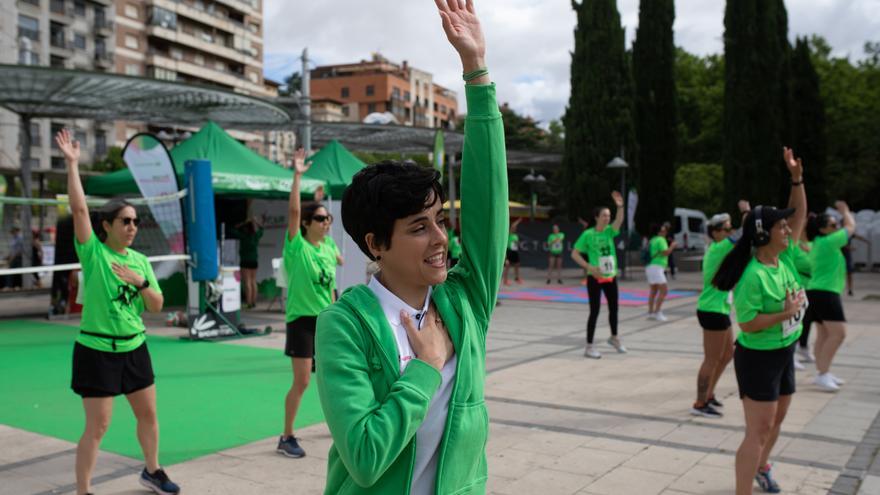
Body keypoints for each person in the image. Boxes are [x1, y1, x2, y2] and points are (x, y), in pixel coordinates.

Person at [315, 1, 506, 492]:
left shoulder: (464, 301)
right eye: (419, 227)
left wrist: (477, 74)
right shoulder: (345, 324)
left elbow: (489, 206)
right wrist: (424, 369)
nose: (441, 238)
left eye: (440, 220)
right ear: (376, 244)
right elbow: (363, 457)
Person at [55, 129, 179, 495]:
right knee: (98, 426)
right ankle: (84, 490)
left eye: (135, 221)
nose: (131, 227)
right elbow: (79, 209)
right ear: (106, 225)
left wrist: (142, 282)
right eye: (125, 221)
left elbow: (156, 305)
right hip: (96, 351)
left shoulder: (140, 260)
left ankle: (152, 471)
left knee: (149, 416)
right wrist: (73, 164)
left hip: (134, 348)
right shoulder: (94, 254)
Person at [712, 147, 808, 495]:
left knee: (777, 421)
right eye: (781, 226)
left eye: (786, 225)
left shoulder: (785, 258)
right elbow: (749, 325)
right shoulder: (753, 276)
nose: (788, 229)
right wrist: (786, 311)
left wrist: (796, 177)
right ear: (764, 234)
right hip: (759, 357)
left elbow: (800, 213)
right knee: (758, 430)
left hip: (785, 349)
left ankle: (762, 467)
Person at [277, 148, 343, 458]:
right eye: (319, 218)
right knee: (302, 381)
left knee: (333, 378)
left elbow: (333, 275)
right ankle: (287, 436)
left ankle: (338, 422)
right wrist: (298, 176)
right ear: (306, 223)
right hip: (302, 321)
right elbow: (292, 213)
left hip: (326, 321)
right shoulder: (297, 248)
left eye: (328, 218)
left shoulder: (328, 246)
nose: (326, 222)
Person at [804, 201, 856, 392]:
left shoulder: (819, 243)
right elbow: (851, 228)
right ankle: (823, 374)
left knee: (824, 335)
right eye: (833, 225)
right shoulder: (827, 242)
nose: (838, 228)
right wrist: (846, 211)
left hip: (818, 291)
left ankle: (822, 371)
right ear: (823, 230)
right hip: (825, 293)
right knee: (838, 334)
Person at [691, 213, 737, 418]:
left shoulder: (720, 248)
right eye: (727, 229)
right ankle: (700, 403)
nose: (731, 232)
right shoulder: (719, 248)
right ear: (716, 233)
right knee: (711, 359)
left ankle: (709, 394)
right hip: (711, 310)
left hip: (720, 309)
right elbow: (745, 234)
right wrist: (748, 214)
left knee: (727, 354)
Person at [572, 191, 625, 359]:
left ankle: (614, 337)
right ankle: (589, 346)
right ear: (596, 217)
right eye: (604, 215)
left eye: (608, 215)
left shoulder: (609, 232)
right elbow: (575, 253)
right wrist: (589, 266)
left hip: (611, 276)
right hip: (595, 278)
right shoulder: (588, 234)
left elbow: (619, 220)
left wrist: (620, 206)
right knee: (594, 311)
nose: (607, 218)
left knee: (614, 308)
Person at [231, 214, 264, 309]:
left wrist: (245, 222)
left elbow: (234, 229)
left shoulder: (243, 236)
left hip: (245, 261)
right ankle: (253, 302)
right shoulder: (255, 236)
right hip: (254, 261)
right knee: (253, 282)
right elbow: (262, 229)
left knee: (247, 283)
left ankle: (249, 303)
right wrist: (255, 222)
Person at [645, 222, 676, 321]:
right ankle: (657, 312)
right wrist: (672, 246)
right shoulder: (661, 240)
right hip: (657, 267)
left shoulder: (652, 240)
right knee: (664, 290)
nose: (665, 232)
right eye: (663, 230)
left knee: (653, 291)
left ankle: (650, 313)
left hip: (650, 267)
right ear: (659, 232)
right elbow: (665, 252)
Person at [503, 217, 523, 285]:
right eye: (513, 228)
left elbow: (516, 244)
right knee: (507, 266)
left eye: (515, 228)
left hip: (515, 251)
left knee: (517, 265)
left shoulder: (515, 235)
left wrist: (517, 243)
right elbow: (513, 226)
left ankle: (517, 278)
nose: (514, 229)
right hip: (509, 251)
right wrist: (518, 221)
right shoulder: (509, 233)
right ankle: (505, 280)